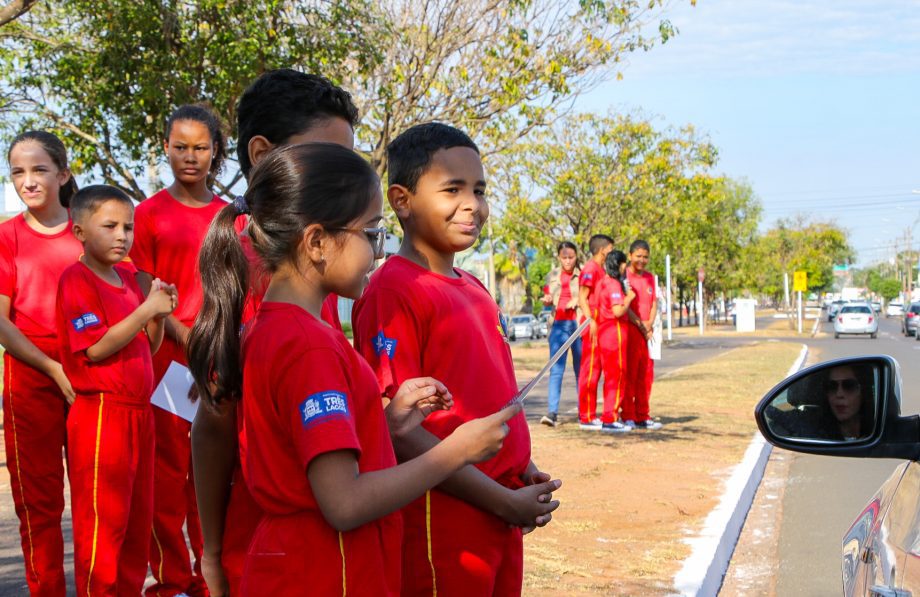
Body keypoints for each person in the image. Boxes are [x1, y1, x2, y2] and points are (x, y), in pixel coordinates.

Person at [186, 143, 518, 595]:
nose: (378, 252)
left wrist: (383, 422)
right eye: (371, 233)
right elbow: (342, 501)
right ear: (318, 242)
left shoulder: (274, 330)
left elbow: (306, 453)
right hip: (326, 569)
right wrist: (455, 450)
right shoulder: (309, 347)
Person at [352, 122, 561, 596]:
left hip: (498, 509)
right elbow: (399, 433)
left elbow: (488, 396)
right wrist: (504, 502)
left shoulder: (475, 289)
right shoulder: (393, 292)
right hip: (441, 522)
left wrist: (518, 470)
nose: (473, 204)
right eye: (453, 189)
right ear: (402, 200)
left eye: (480, 190)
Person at [188, 69, 361, 596]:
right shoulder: (255, 265)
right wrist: (213, 553)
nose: (341, 180)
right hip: (267, 535)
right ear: (262, 154)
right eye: (324, 160)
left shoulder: (315, 267)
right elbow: (215, 416)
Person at [131, 103, 236, 597]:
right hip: (171, 363)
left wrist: (217, 343)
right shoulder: (147, 214)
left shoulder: (230, 218)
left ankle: (214, 574)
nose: (189, 157)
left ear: (215, 152)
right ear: (166, 147)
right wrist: (180, 332)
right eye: (180, 147)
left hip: (221, 360)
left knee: (214, 473)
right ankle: (175, 580)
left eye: (200, 148)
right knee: (169, 475)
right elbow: (144, 291)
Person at [56, 185, 178, 595]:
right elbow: (95, 346)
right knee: (102, 527)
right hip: (102, 414)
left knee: (136, 524)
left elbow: (148, 343)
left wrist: (158, 314)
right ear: (79, 232)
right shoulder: (77, 279)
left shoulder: (128, 277)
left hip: (139, 412)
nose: (122, 235)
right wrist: (146, 309)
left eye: (127, 226)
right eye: (109, 226)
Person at [0, 131, 81, 596]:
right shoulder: (7, 237)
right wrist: (52, 369)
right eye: (17, 172)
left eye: (39, 170)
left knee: (100, 501)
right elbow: (2, 322)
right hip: (31, 379)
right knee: (39, 503)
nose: (28, 181)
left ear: (63, 173)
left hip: (91, 376)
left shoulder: (90, 228)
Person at [539, 241, 582, 427]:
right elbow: (548, 298)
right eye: (564, 257)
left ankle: (584, 411)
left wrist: (577, 299)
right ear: (558, 257)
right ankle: (552, 413)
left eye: (571, 257)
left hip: (579, 325)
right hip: (558, 325)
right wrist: (547, 300)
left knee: (581, 370)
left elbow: (591, 296)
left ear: (576, 257)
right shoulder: (552, 276)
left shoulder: (583, 276)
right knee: (556, 370)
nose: (567, 261)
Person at [576, 234, 614, 430]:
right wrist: (590, 320)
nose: (611, 253)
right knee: (589, 371)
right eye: (610, 249)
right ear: (603, 249)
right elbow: (582, 297)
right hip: (592, 322)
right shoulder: (590, 269)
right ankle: (586, 416)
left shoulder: (601, 269)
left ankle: (591, 413)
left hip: (602, 322)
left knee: (597, 370)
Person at [622, 239, 662, 429]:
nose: (642, 260)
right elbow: (625, 305)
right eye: (638, 256)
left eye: (645, 257)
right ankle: (628, 414)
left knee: (646, 376)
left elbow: (654, 303)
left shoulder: (649, 278)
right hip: (631, 332)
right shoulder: (624, 277)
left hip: (647, 334)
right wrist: (640, 324)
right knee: (629, 375)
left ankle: (642, 415)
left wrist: (649, 324)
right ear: (630, 256)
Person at [596, 250, 635, 433]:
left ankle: (610, 414)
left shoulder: (604, 282)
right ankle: (610, 417)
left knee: (613, 375)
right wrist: (629, 298)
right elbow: (618, 311)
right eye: (623, 264)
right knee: (616, 375)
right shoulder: (612, 285)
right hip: (614, 332)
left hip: (608, 332)